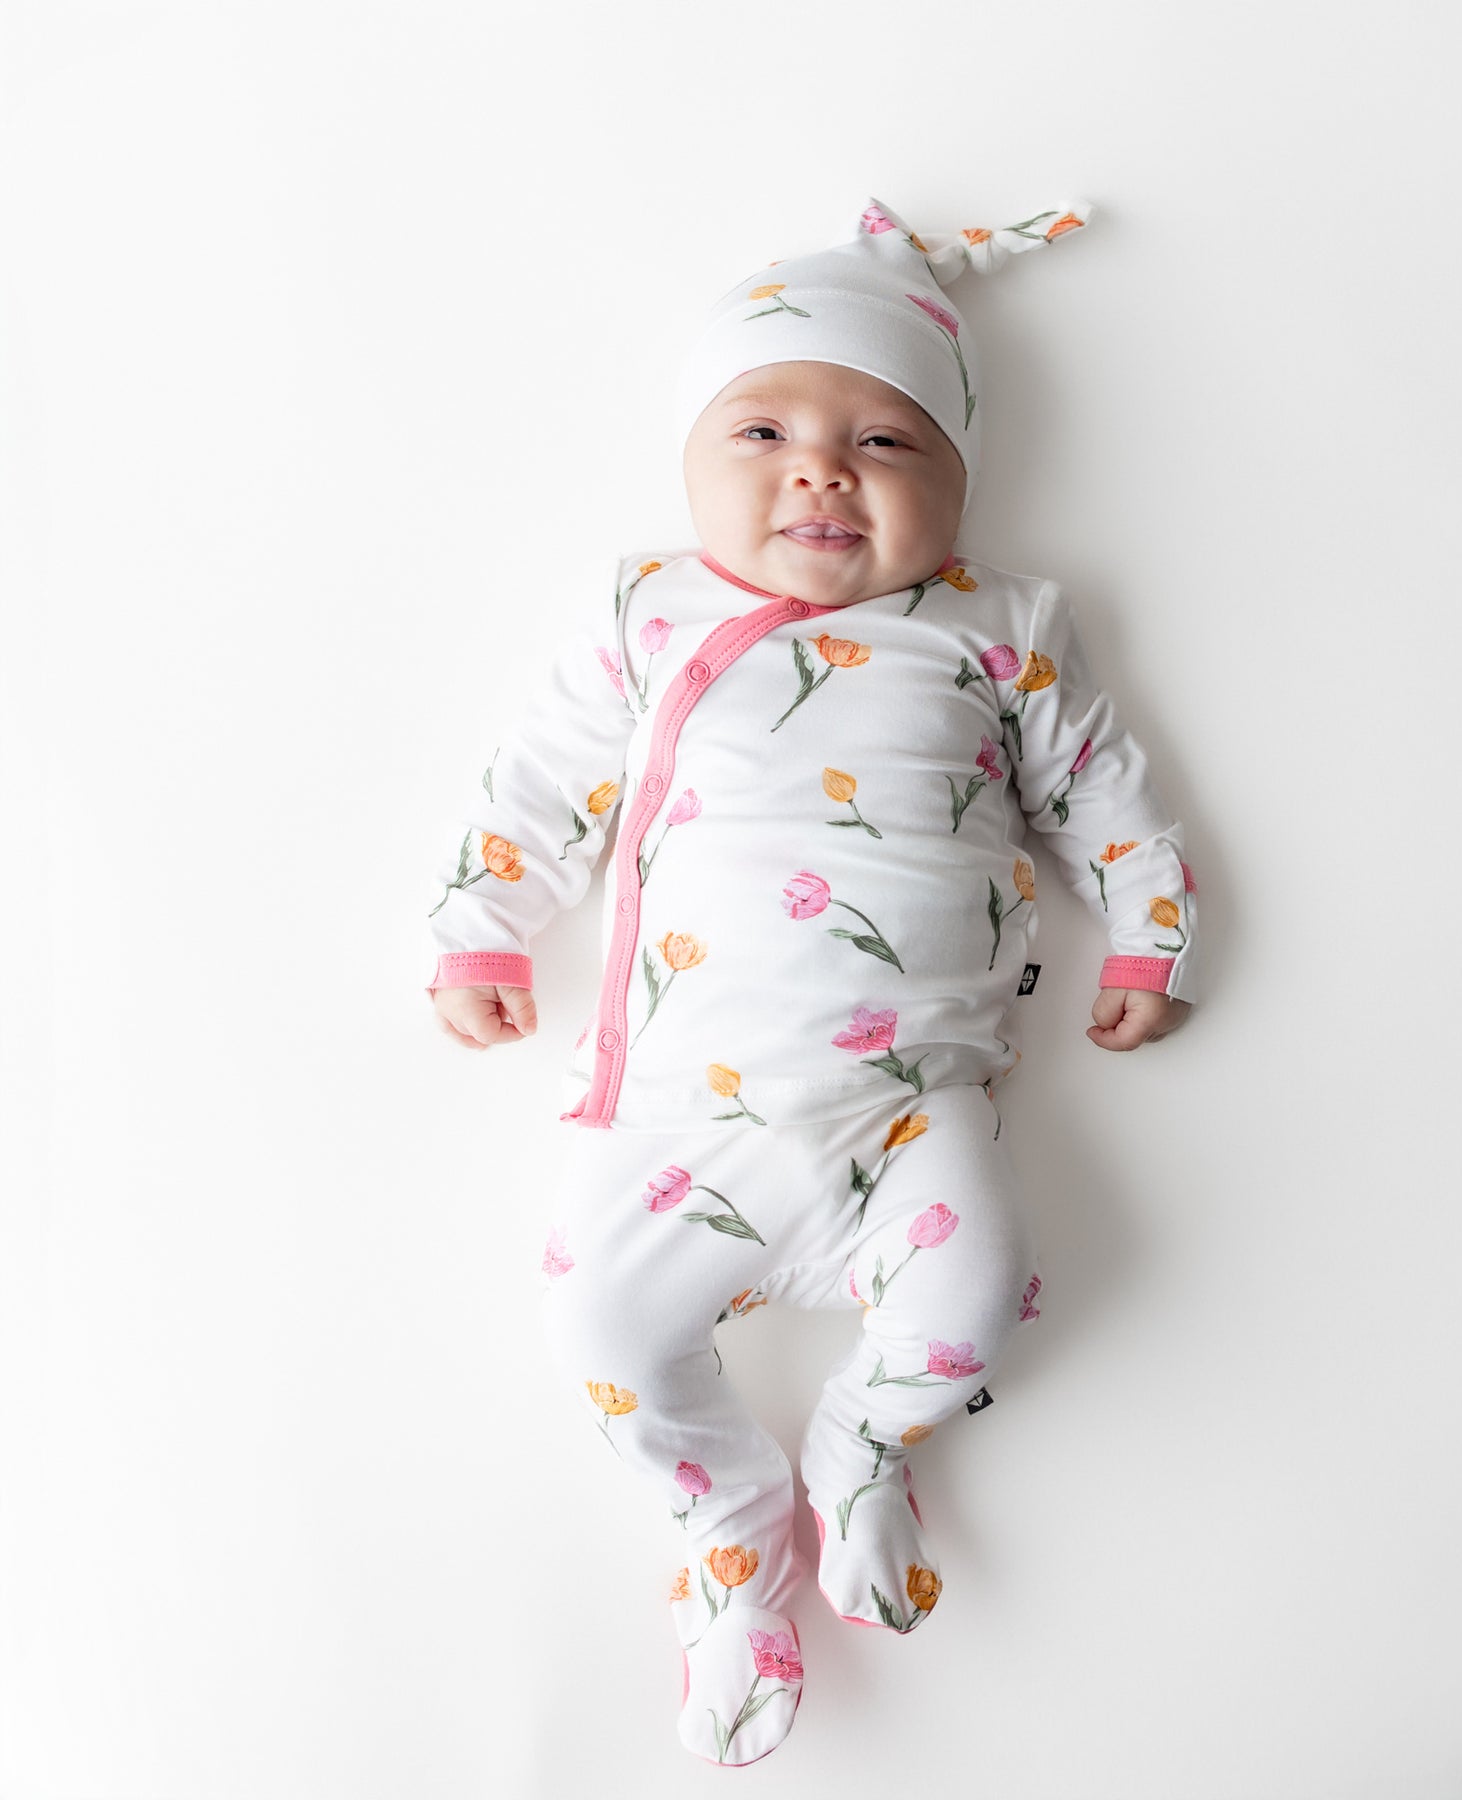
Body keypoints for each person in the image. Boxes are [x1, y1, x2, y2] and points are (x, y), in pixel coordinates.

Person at [422, 195, 1199, 1767]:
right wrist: (482, 921)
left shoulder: (1000, 632)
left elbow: (1104, 788)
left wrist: (1150, 925)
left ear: (961, 484)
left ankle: (863, 1439)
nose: (821, 469)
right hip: (673, 1110)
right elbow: (541, 775)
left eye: (886, 441)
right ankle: (728, 1539)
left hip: (916, 1108)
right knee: (604, 1345)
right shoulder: (652, 613)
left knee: (976, 1301)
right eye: (763, 428)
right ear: (693, 468)